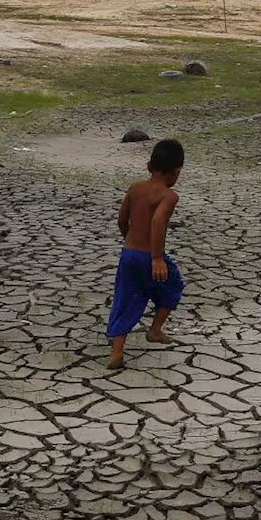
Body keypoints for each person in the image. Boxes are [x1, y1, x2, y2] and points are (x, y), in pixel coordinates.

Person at [107, 140, 186, 369]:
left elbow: (122, 220)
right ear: (177, 170)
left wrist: (129, 241)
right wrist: (156, 257)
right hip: (149, 255)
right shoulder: (169, 195)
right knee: (173, 285)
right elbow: (158, 220)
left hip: (129, 254)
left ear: (149, 164)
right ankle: (154, 329)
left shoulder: (134, 188)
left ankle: (117, 353)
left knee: (124, 298)